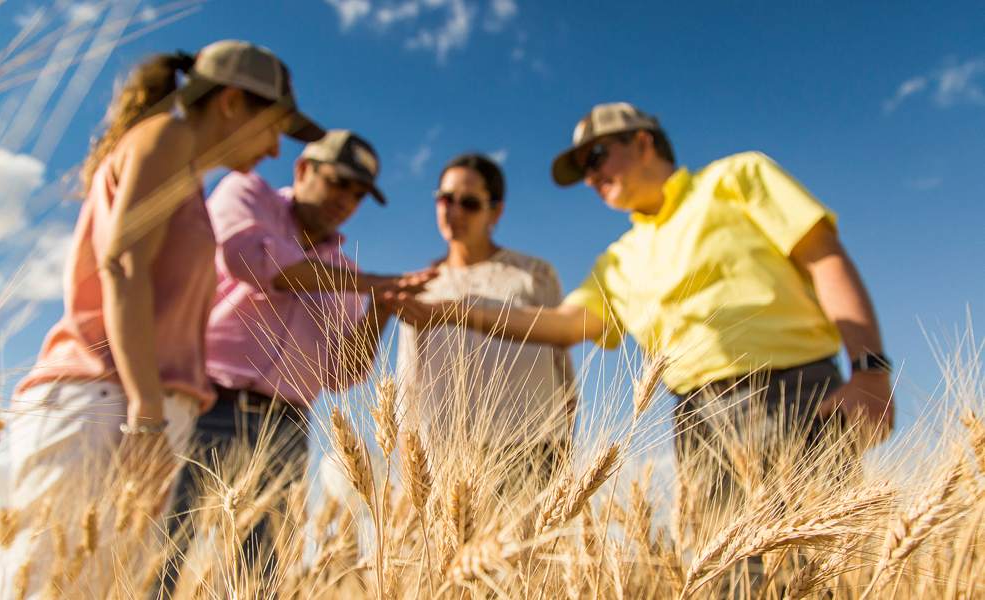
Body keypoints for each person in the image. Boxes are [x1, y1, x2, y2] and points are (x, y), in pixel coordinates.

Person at [0, 40, 324, 600]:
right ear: (232, 102)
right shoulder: (166, 137)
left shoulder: (184, 174)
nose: (273, 150)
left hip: (135, 405)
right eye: (274, 128)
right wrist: (146, 415)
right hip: (109, 402)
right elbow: (122, 264)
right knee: (43, 586)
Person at [387, 102, 894, 466]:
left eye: (596, 158)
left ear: (643, 142)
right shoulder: (618, 260)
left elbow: (825, 259)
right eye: (583, 171)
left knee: (816, 568)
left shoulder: (737, 178)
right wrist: (456, 310)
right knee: (727, 576)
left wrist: (870, 371)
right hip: (696, 421)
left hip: (798, 396)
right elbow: (563, 326)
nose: (590, 177)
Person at [164, 130, 431, 586]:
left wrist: (381, 309)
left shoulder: (349, 273)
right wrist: (373, 283)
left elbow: (341, 373)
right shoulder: (248, 193)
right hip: (206, 403)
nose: (346, 200)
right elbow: (247, 257)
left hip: (287, 425)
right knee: (164, 550)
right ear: (303, 169)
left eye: (358, 193)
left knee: (260, 574)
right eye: (338, 182)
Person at [395, 153, 576, 488]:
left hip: (535, 448)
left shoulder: (534, 274)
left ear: (495, 211)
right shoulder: (420, 288)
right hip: (448, 456)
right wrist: (413, 477)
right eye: (446, 199)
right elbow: (409, 388)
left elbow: (563, 367)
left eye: (470, 203)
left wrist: (565, 449)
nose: (454, 211)